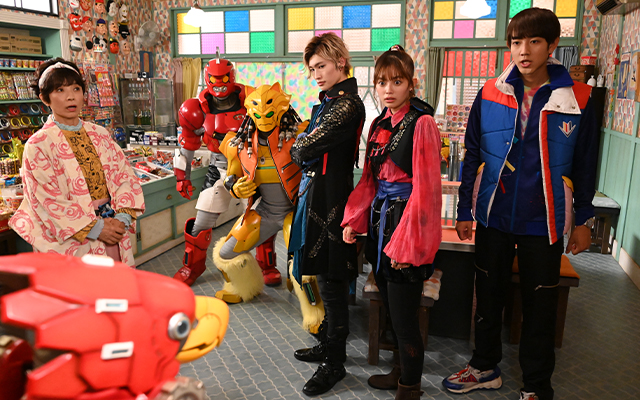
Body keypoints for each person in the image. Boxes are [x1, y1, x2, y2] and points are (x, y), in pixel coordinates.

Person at [443, 8, 598, 400]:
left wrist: (583, 219)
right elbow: (472, 154)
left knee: (540, 306)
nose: (524, 51)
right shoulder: (489, 92)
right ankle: (484, 367)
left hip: (544, 220)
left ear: (552, 45)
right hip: (493, 215)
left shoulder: (580, 97)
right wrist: (464, 211)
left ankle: (536, 386)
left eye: (534, 41)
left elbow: (585, 163)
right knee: (487, 297)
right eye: (516, 42)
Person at [342, 45, 442, 399]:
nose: (388, 89)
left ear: (410, 84)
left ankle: (410, 388)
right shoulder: (380, 123)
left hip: (406, 227)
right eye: (381, 82)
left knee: (404, 319)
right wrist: (354, 219)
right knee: (390, 312)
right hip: (381, 224)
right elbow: (370, 181)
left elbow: (427, 191)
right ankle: (399, 372)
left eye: (396, 81)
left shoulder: (422, 123)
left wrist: (408, 246)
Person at [211, 82, 324, 335]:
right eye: (258, 113)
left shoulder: (299, 135)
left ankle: (315, 312)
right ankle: (243, 287)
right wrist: (235, 187)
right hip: (265, 212)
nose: (264, 119)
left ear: (282, 109)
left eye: (270, 113)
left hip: (296, 211)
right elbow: (230, 177)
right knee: (226, 254)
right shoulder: (239, 143)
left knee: (303, 268)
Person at [9, 58, 145, 265]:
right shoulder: (38, 145)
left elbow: (123, 174)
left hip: (114, 227)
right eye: (60, 90)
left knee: (117, 282)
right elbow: (46, 200)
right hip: (75, 238)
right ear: (44, 98)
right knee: (82, 284)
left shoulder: (100, 133)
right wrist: (96, 229)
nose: (70, 96)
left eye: (76, 89)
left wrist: (123, 218)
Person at [289, 32, 366, 396]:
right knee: (321, 274)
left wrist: (301, 144)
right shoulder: (331, 102)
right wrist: (302, 144)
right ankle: (328, 343)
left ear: (340, 62)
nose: (316, 74)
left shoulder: (347, 105)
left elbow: (302, 148)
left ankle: (335, 362)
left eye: (321, 66)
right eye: (312, 69)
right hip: (319, 195)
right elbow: (303, 146)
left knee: (333, 282)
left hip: (333, 197)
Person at [172, 56, 280, 289]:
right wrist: (182, 177)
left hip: (251, 167)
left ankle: (267, 265)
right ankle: (192, 267)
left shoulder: (250, 97)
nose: (219, 84)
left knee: (262, 218)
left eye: (223, 78)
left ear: (232, 77)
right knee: (202, 221)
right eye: (214, 79)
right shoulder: (195, 109)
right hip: (220, 166)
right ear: (206, 78)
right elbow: (187, 146)